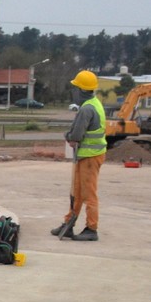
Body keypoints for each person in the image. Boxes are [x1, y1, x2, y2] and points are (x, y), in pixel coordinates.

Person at [53, 70, 106, 242]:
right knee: (76, 192)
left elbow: (76, 135)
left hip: (91, 156)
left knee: (89, 193)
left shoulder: (87, 109)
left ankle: (92, 228)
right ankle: (69, 223)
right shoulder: (93, 104)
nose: (73, 92)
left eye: (75, 88)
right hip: (85, 156)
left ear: (82, 90)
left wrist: (68, 137)